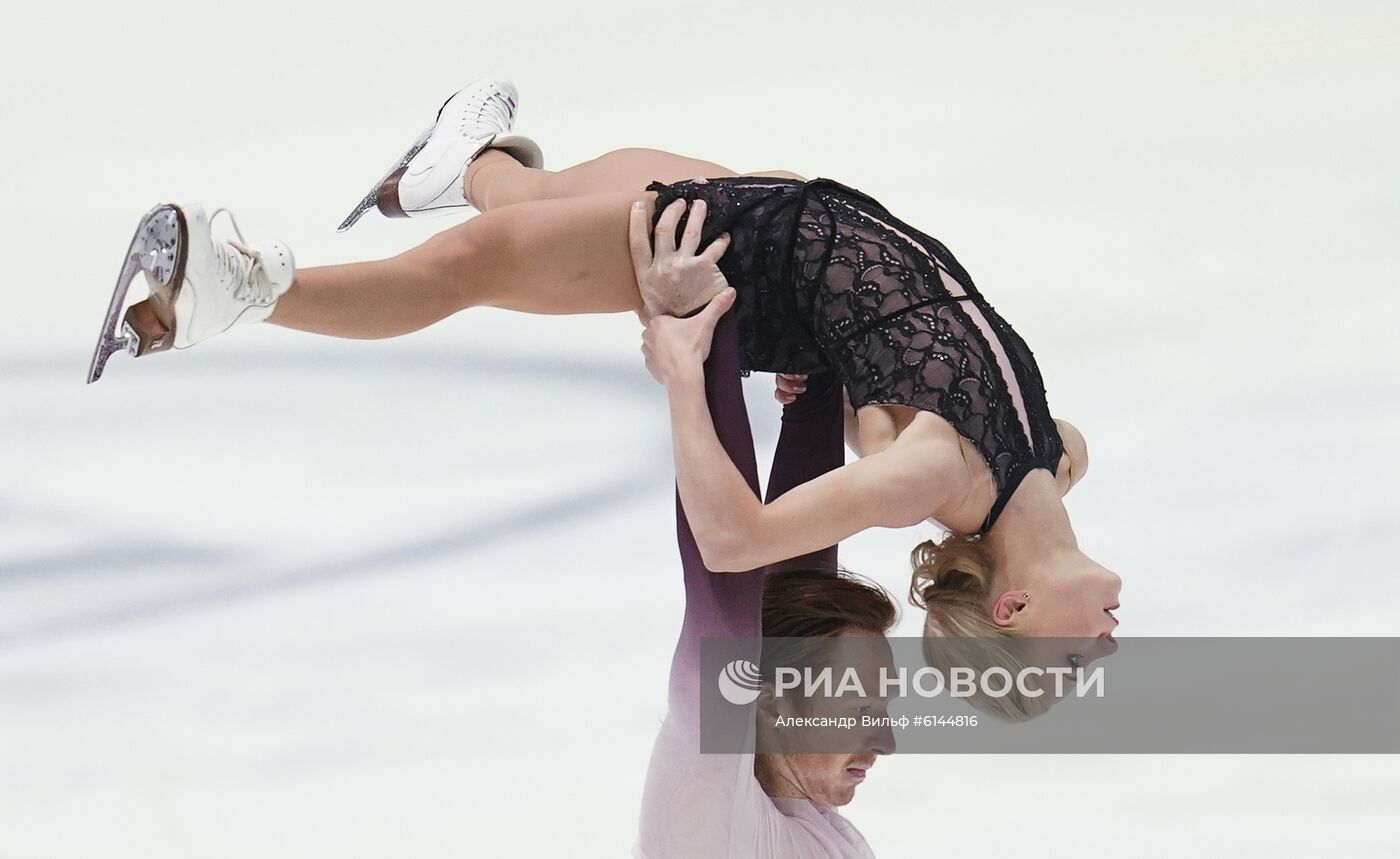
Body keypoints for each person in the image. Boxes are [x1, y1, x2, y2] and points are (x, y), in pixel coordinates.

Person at [89, 75, 1121, 663]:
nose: (1110, 647)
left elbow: (736, 539)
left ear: (1012, 610)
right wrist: (838, 381)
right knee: (552, 217)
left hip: (752, 263)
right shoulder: (1049, 457)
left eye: (1075, 662)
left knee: (473, 266)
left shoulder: (931, 489)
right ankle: (470, 170)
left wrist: (684, 361)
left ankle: (227, 293)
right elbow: (885, 405)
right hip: (811, 224)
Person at [636, 289, 893, 857]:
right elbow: (729, 592)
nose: (885, 740)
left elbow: (781, 581)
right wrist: (701, 349)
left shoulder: (810, 830)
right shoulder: (710, 815)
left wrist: (812, 389)